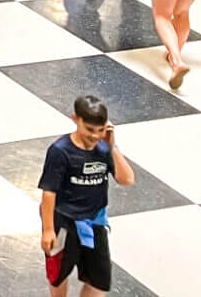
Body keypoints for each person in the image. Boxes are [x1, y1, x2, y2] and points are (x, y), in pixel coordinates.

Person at [38, 94, 134, 297]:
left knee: (99, 282)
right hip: (64, 223)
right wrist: (48, 230)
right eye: (89, 129)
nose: (94, 136)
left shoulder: (103, 148)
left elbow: (127, 179)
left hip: (95, 222)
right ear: (75, 119)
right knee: (58, 276)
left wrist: (112, 147)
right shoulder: (60, 151)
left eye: (100, 130)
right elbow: (49, 193)